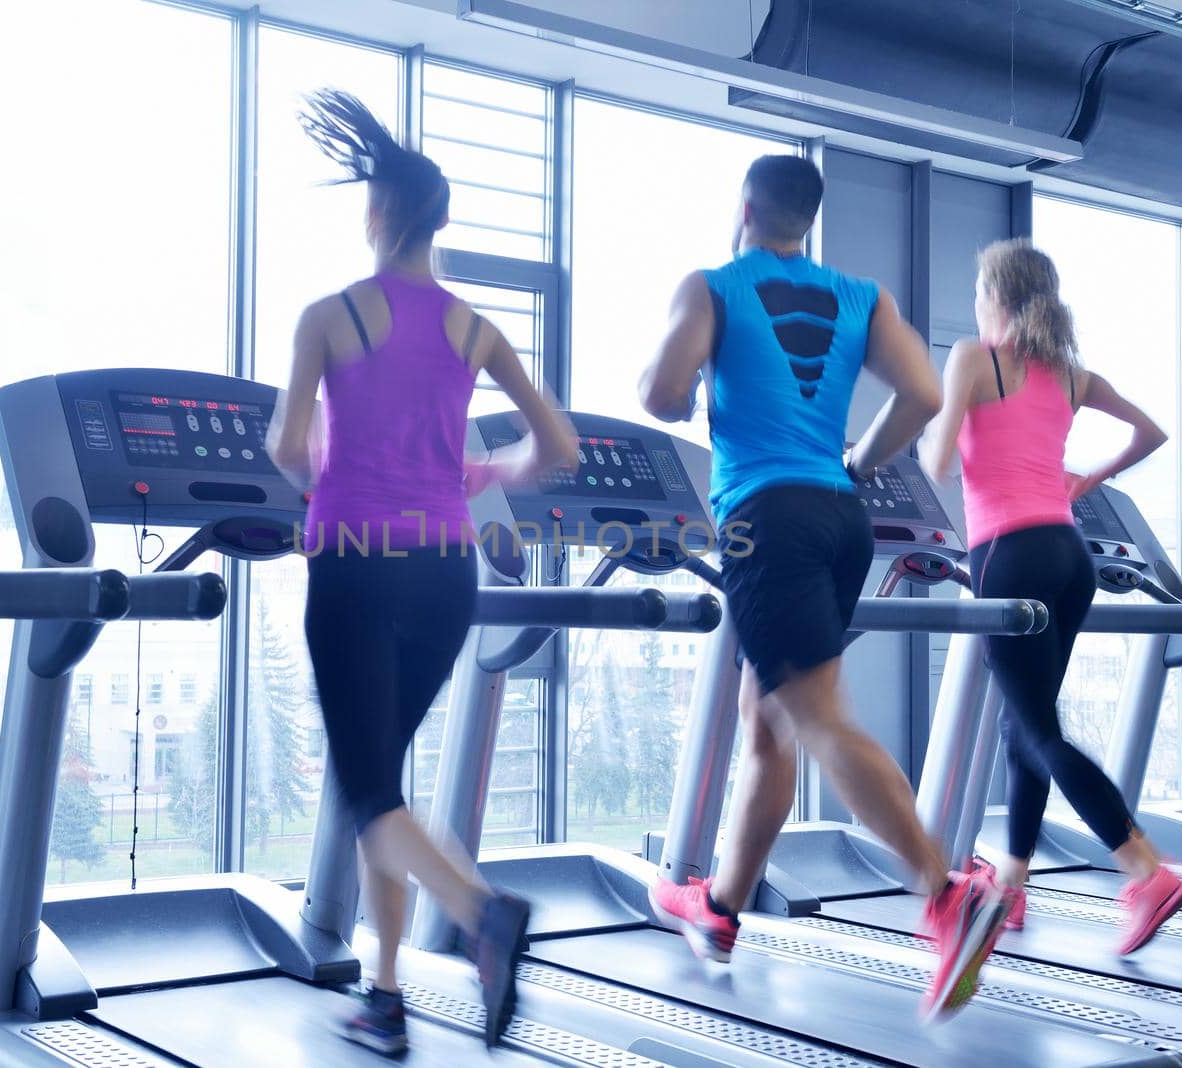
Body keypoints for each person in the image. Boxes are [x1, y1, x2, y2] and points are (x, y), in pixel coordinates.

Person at [639, 154, 1008, 1022]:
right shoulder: (863, 295)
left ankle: (944, 892)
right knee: (768, 719)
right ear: (809, 217)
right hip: (843, 518)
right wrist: (855, 461)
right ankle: (720, 908)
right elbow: (919, 394)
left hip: (764, 517)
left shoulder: (714, 285)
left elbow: (659, 394)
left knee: (818, 718)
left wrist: (692, 382)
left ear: (744, 208)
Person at [269, 89, 578, 1055]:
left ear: (376, 214)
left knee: (369, 789)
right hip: (447, 575)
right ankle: (386, 995)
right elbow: (557, 446)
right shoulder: (474, 327)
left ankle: (484, 913)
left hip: (357, 568)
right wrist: (486, 472)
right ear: (434, 223)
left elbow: (287, 448)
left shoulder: (328, 316)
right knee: (381, 788)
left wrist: (334, 467)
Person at [919, 238, 1182, 955]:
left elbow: (938, 460)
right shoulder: (1070, 373)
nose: (975, 302)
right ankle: (1010, 881)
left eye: (980, 289)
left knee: (1037, 731)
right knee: (1024, 723)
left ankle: (1144, 869)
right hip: (1070, 558)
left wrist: (926, 433)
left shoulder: (975, 357)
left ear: (997, 296)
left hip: (1008, 554)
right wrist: (1085, 482)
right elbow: (1152, 432)